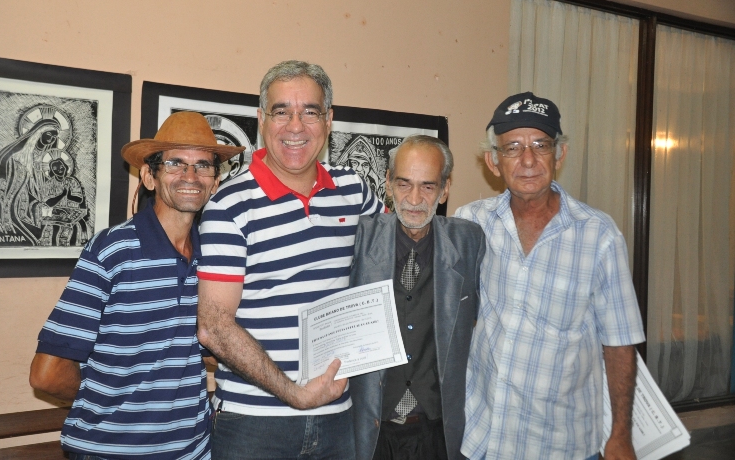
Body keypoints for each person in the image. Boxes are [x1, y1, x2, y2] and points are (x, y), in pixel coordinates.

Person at [196, 60, 384, 459]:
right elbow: (214, 328)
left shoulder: (355, 191)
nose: (295, 126)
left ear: (328, 120)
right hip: (253, 425)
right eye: (281, 111)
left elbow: (403, 257)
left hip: (339, 418)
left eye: (309, 112)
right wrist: (295, 394)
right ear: (262, 119)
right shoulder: (229, 206)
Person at [29, 111, 244, 460]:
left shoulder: (216, 257)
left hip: (193, 451)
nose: (190, 176)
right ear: (149, 176)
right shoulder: (112, 250)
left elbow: (203, 347)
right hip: (108, 452)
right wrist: (114, 405)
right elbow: (47, 375)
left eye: (203, 165)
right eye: (175, 163)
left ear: (215, 181)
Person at [455, 92, 646, 460]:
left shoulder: (599, 235)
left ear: (559, 155)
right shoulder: (470, 223)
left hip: (562, 443)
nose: (528, 160)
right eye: (513, 148)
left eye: (541, 145)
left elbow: (620, 342)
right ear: (493, 162)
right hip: (482, 437)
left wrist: (621, 435)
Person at [349, 135, 485, 460]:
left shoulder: (469, 242)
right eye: (404, 184)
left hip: (437, 431)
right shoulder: (359, 239)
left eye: (427, 186)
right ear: (388, 183)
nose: (414, 199)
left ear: (445, 189)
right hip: (371, 430)